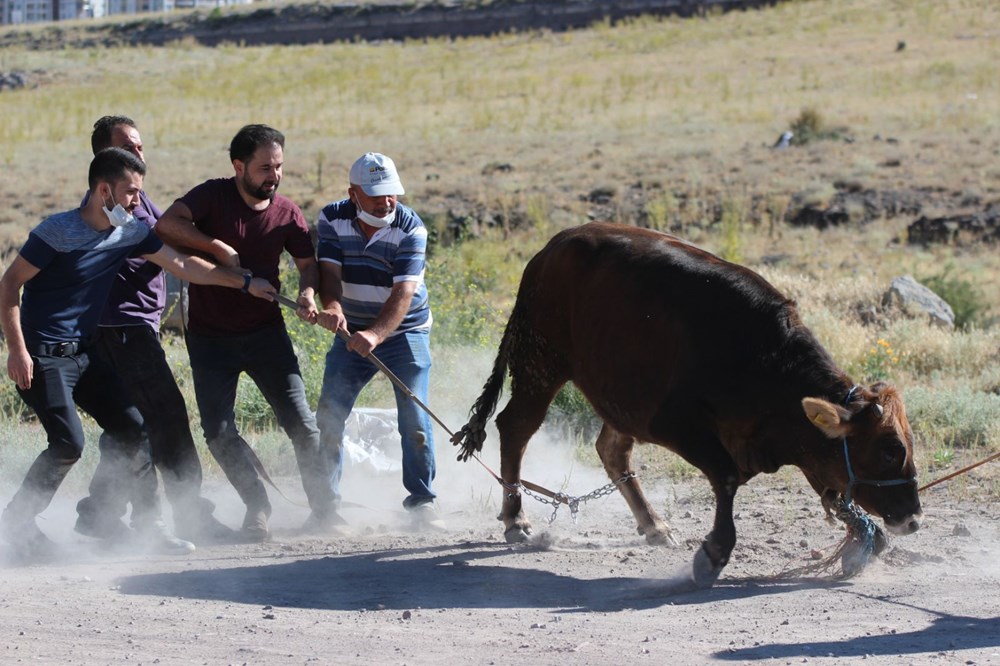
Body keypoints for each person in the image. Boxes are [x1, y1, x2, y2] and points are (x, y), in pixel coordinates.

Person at [0, 148, 275, 560]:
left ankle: (142, 526)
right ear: (103, 190)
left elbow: (183, 266)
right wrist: (17, 350)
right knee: (67, 444)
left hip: (85, 355)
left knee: (135, 430)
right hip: (43, 357)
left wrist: (242, 282)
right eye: (130, 192)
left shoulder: (127, 231)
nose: (136, 201)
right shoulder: (56, 232)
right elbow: (8, 286)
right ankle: (16, 525)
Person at [154, 124, 336, 542]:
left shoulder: (287, 212)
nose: (273, 176)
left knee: (302, 425)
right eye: (264, 168)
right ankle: (259, 504)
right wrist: (218, 248)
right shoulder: (211, 195)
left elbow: (308, 264)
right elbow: (167, 225)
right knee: (218, 433)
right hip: (209, 339)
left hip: (265, 334)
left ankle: (325, 509)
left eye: (279, 167)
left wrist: (307, 293)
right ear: (238, 166)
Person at [73, 115, 234, 546]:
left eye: (140, 146)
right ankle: (177, 520)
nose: (139, 153)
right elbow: (174, 257)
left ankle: (98, 514)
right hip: (122, 330)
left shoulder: (133, 199)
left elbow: (169, 237)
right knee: (163, 423)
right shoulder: (113, 209)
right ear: (106, 157)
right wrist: (232, 271)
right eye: (128, 147)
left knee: (129, 426)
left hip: (126, 328)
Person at [314, 152, 444, 531]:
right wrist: (333, 307)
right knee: (329, 415)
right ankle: (324, 507)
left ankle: (422, 500)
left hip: (405, 331)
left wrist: (375, 334)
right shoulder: (332, 218)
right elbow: (329, 272)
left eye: (392, 194)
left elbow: (404, 293)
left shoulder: (411, 229)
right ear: (353, 193)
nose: (386, 202)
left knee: (414, 417)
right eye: (376, 195)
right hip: (350, 329)